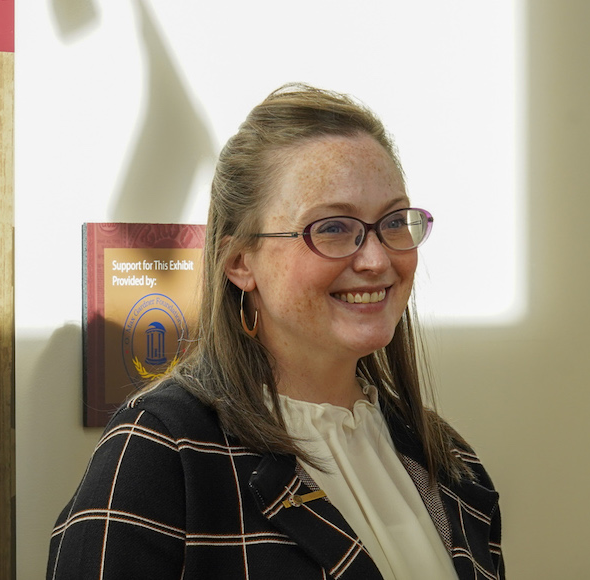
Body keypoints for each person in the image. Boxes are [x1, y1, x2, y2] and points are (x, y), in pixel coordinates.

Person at [48, 84, 504, 579]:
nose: (377, 260)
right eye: (331, 227)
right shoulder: (163, 451)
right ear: (241, 261)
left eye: (393, 222)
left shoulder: (447, 457)